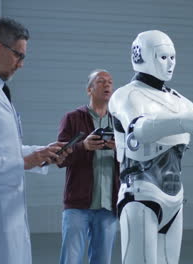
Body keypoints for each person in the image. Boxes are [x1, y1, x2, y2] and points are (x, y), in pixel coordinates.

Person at [0, 17, 70, 264]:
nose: (21, 64)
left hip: (9, 207)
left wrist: (43, 153)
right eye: (19, 55)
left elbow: (6, 150)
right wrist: (24, 162)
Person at [108, 30, 193, 264]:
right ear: (143, 56)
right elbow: (139, 128)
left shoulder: (177, 99)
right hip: (141, 196)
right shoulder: (126, 96)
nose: (170, 64)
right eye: (163, 57)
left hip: (174, 200)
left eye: (173, 57)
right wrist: (185, 121)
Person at [57, 69, 120, 264]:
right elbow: (60, 158)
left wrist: (120, 149)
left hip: (109, 206)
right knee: (71, 260)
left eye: (110, 81)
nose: (107, 84)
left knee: (102, 260)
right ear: (89, 89)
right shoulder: (72, 118)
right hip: (78, 205)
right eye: (101, 81)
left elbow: (134, 159)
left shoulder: (120, 122)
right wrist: (83, 146)